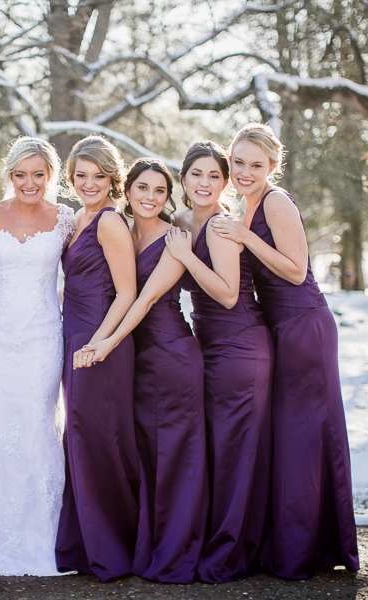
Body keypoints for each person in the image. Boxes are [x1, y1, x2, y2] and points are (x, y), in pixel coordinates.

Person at [212, 123, 359, 578]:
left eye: (256, 165)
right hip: (277, 328)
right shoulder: (244, 203)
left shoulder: (275, 201)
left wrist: (245, 236)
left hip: (304, 326)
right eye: (238, 163)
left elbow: (296, 271)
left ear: (273, 167)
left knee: (305, 437)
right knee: (288, 438)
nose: (244, 172)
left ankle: (304, 552)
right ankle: (290, 542)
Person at [79, 158, 207, 583]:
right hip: (136, 360)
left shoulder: (175, 238)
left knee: (174, 458)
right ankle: (147, 547)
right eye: (143, 188)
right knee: (148, 458)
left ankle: (174, 556)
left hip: (171, 356)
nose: (150, 197)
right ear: (128, 190)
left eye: (159, 191)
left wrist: (106, 343)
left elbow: (146, 299)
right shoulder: (118, 230)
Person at [164, 141, 273, 583]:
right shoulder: (181, 219)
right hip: (207, 345)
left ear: (224, 182)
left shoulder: (223, 226)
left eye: (214, 176)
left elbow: (228, 294)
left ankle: (229, 552)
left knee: (233, 452)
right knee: (216, 447)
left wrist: (187, 255)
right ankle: (209, 537)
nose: (204, 183)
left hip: (240, 345)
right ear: (184, 179)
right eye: (197, 175)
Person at [0, 136, 75, 576]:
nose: (29, 183)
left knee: (37, 427)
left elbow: (84, 274)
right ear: (9, 175)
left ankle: (45, 537)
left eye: (38, 174)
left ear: (50, 176)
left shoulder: (66, 219)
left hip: (42, 338)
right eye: (20, 175)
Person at [56, 136, 140, 581]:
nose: (90, 183)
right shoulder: (76, 219)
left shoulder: (110, 221)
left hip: (101, 342)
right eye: (81, 175)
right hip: (75, 336)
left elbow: (127, 291)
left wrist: (99, 343)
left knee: (99, 438)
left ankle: (115, 547)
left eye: (99, 176)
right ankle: (85, 545)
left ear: (113, 179)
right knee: (81, 437)